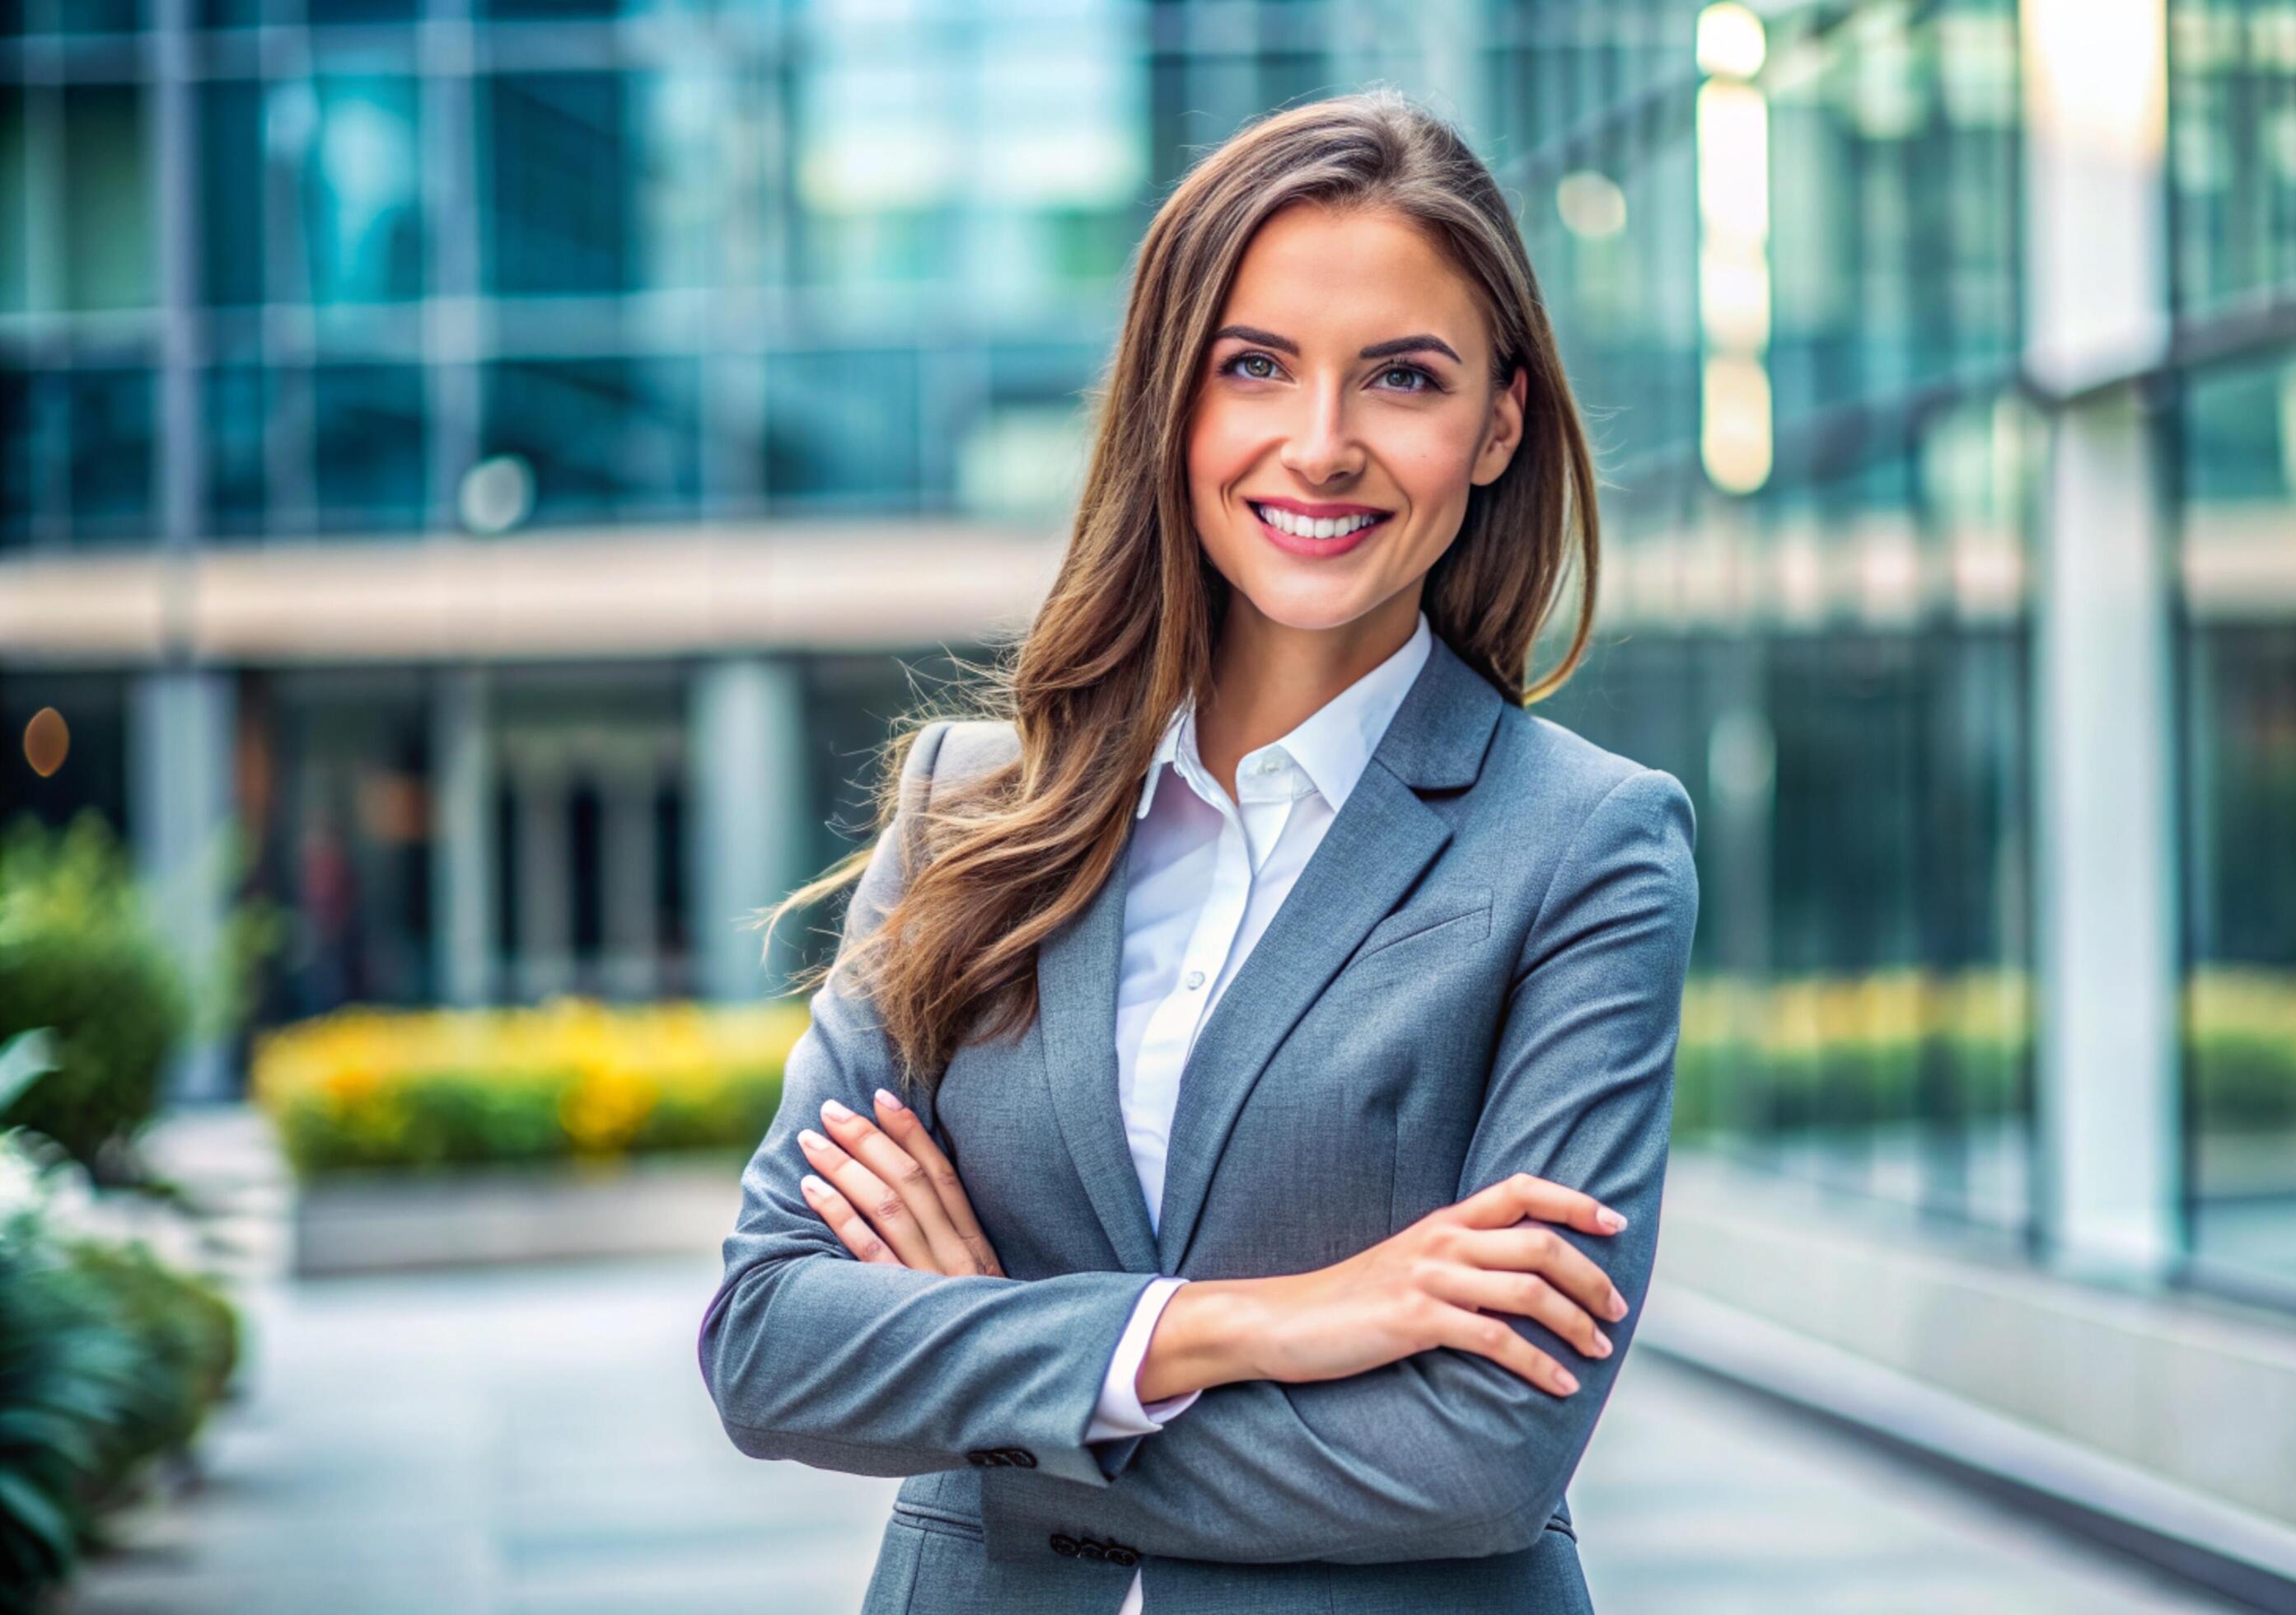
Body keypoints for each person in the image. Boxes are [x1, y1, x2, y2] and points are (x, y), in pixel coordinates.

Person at [697, 87, 1700, 1614]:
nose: (1322, 445)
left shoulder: (1586, 849)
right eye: (1255, 367)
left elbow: (1485, 1452)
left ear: (1498, 425)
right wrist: (1245, 1326)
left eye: (1404, 379)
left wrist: (1001, 1361)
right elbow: (770, 1343)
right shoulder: (971, 812)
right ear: (1174, 400)